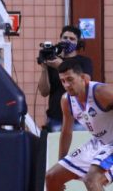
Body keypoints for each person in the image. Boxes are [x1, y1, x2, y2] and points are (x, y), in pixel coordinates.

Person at [43, 61, 113, 191]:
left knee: (92, 179)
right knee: (52, 177)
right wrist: (61, 162)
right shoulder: (66, 100)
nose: (66, 85)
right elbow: (66, 133)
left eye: (70, 79)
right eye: (63, 81)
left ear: (83, 78)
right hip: (98, 143)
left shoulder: (101, 92)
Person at [38, 25, 93, 131]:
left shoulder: (84, 61)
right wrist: (44, 68)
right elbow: (44, 92)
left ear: (78, 43)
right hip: (55, 117)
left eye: (72, 39)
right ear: (60, 40)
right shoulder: (53, 61)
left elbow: (84, 83)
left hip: (79, 118)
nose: (68, 41)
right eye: (65, 38)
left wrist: (61, 65)